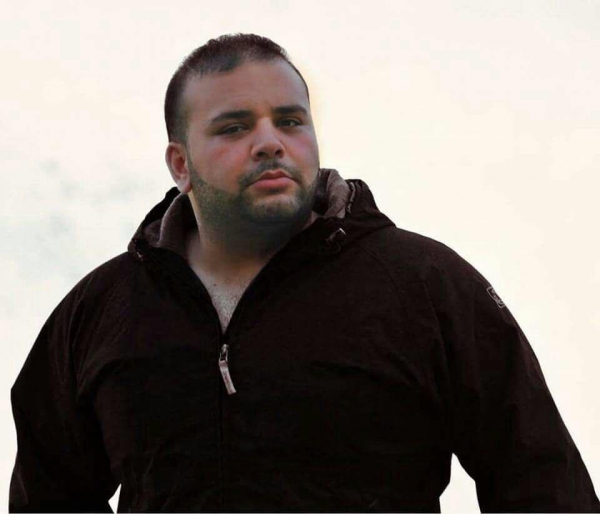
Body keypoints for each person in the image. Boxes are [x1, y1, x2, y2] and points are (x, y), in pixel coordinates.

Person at [9, 33, 599, 513]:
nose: (270, 142)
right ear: (180, 164)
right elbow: (48, 498)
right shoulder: (102, 313)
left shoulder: (425, 285)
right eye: (235, 127)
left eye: (290, 121)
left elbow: (542, 485)